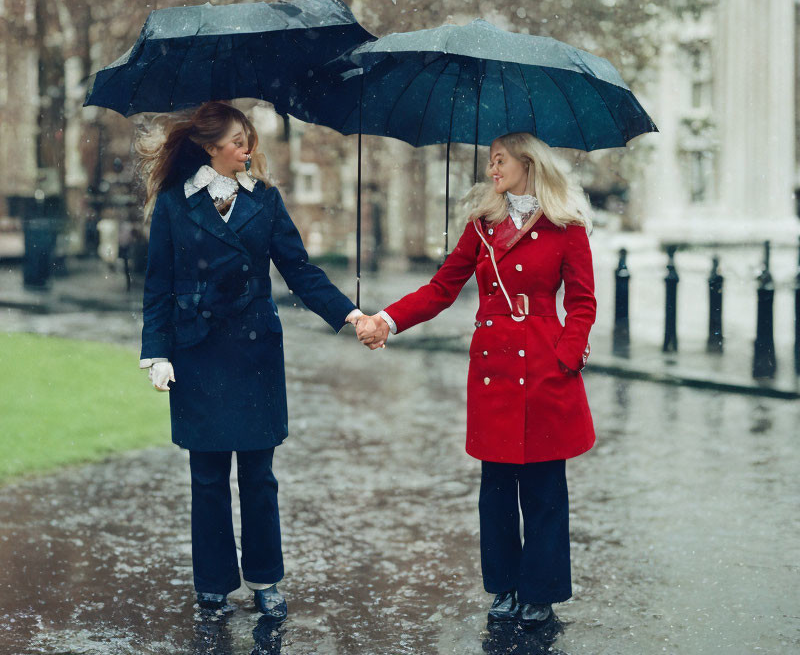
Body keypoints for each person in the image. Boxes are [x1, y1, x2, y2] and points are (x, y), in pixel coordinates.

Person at [356, 132, 595, 630]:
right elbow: (442, 288)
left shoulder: (565, 226)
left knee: (545, 490)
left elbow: (582, 301)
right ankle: (506, 587)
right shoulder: (482, 227)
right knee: (497, 490)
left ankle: (541, 592)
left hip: (546, 372)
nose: (492, 170)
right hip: (494, 374)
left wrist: (567, 354)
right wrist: (387, 320)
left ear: (527, 163)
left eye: (499, 160)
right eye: (490, 162)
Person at [136, 101, 361, 620]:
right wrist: (157, 352)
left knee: (259, 477)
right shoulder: (174, 204)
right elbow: (159, 287)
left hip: (255, 352)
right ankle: (213, 583)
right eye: (239, 141)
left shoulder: (266, 201)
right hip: (196, 351)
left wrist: (347, 313)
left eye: (248, 140)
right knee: (208, 478)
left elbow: (299, 271)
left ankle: (264, 579)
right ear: (210, 147)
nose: (248, 149)